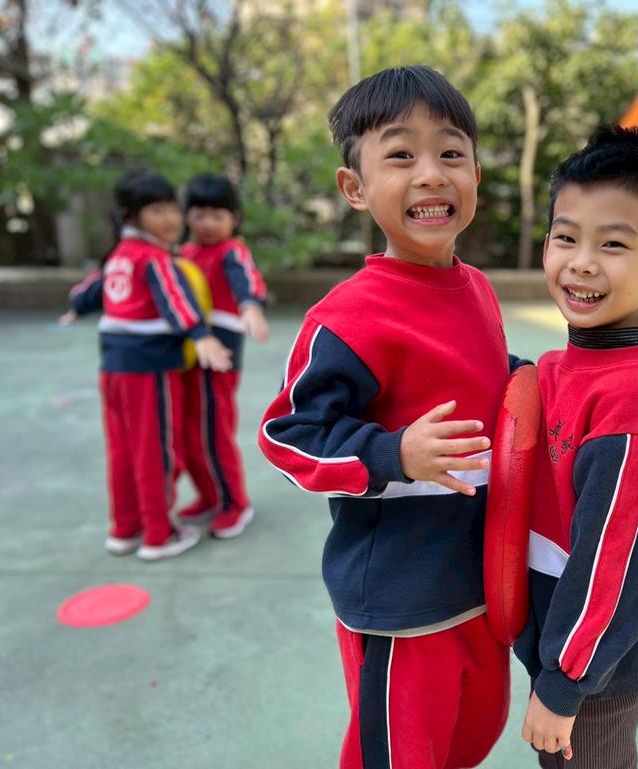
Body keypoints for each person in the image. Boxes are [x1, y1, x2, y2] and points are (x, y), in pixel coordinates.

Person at [257, 66, 520, 769]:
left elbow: (488, 372)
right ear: (355, 187)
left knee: (471, 735)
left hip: (483, 581)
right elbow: (288, 437)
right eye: (401, 155)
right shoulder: (348, 318)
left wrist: (540, 383)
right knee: (401, 754)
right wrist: (393, 453)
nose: (432, 173)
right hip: (402, 600)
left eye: (451, 152)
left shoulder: (477, 287)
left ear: (475, 174)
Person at [514, 126, 638, 769]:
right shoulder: (559, 366)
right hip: (560, 643)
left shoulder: (637, 414)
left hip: (594, 672)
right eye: (566, 237)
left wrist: (564, 683)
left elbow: (617, 570)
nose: (583, 262)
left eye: (614, 245)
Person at [63, 169, 233, 561]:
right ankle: (159, 533)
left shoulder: (118, 256)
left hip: (113, 367)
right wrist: (200, 334)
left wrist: (76, 308)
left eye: (172, 209)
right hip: (150, 368)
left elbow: (87, 292)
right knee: (154, 451)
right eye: (157, 211)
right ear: (130, 215)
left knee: (122, 449)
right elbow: (176, 299)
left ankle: (125, 529)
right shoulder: (155, 258)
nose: (170, 219)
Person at [173, 173, 268, 539]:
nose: (208, 223)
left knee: (214, 431)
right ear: (187, 216)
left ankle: (235, 504)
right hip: (187, 353)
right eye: (200, 214)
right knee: (189, 431)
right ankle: (210, 496)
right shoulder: (184, 253)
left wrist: (251, 306)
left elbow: (247, 280)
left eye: (218, 215)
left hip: (221, 355)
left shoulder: (232, 251)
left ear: (234, 218)